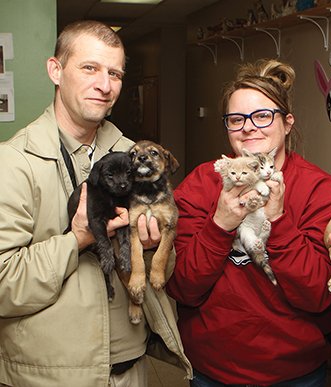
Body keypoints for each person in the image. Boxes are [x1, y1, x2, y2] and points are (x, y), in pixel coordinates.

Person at [0, 20, 191, 386]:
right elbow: (4, 284)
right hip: (47, 377)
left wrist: (151, 249)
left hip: (129, 370)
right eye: (90, 68)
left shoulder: (133, 157)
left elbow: (163, 275)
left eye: (115, 73)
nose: (105, 86)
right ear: (55, 71)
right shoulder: (12, 162)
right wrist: (77, 239)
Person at [166, 59, 331, 386]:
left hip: (295, 374)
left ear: (287, 123)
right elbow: (182, 288)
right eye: (236, 119)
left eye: (263, 116)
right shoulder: (200, 184)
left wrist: (279, 221)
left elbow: (319, 295)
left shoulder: (319, 189)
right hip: (212, 371)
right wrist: (219, 224)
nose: (249, 127)